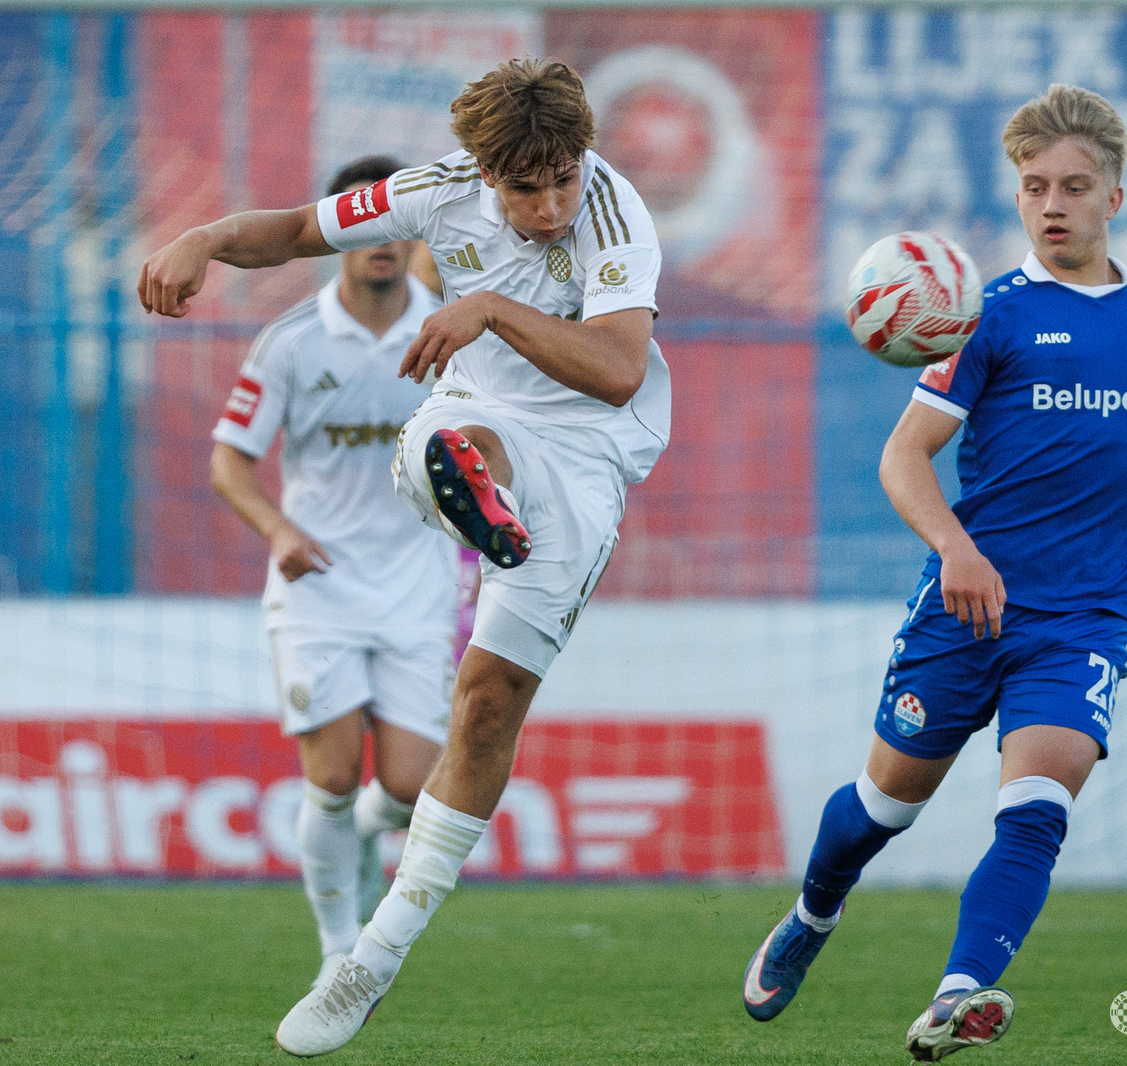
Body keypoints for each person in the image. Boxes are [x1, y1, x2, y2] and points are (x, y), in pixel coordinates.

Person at [139, 59, 668, 1057]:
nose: (549, 205)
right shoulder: (434, 191)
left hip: (592, 451)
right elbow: (298, 230)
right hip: (485, 412)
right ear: (481, 171)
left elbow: (618, 371)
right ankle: (473, 491)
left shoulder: (612, 210)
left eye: (560, 176)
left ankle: (374, 958)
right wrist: (204, 236)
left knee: (485, 706)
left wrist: (492, 310)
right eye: (524, 187)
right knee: (441, 444)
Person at [741, 84, 1127, 1061]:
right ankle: (814, 910)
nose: (1051, 204)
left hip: (1080, 618)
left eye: (1073, 187)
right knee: (883, 807)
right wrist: (956, 548)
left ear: (1113, 197)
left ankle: (958, 993)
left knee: (1037, 806)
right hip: (965, 608)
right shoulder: (983, 316)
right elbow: (902, 458)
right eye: (1034, 186)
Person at [208, 156, 457, 992]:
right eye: (363, 225)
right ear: (339, 234)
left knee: (411, 788)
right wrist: (277, 529)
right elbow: (229, 461)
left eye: (395, 226)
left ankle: (359, 847)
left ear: (409, 235)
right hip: (317, 587)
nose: (380, 243)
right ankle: (336, 953)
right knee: (333, 776)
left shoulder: (451, 332)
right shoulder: (291, 342)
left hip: (420, 583)